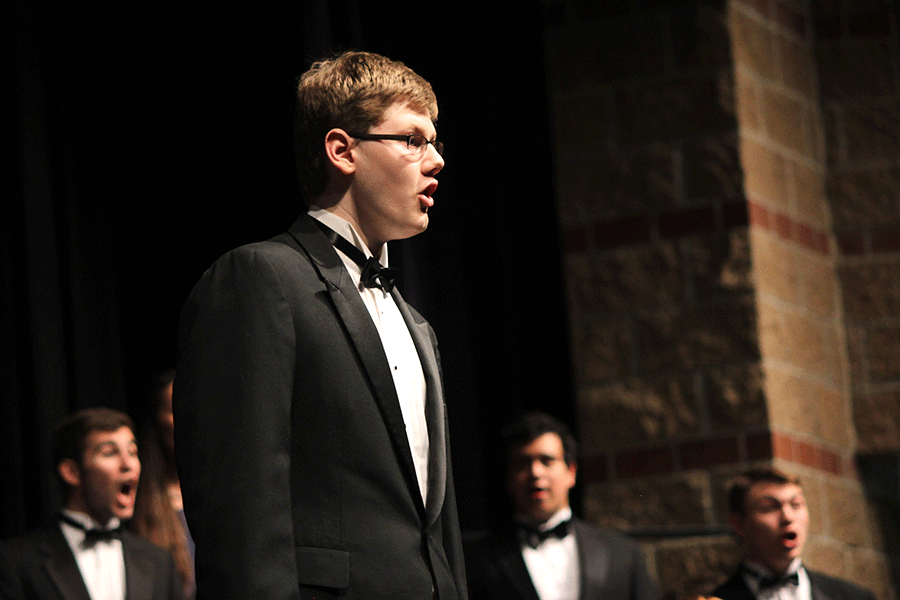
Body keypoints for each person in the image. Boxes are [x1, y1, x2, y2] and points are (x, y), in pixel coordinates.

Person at [173, 50, 466, 599]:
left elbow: (435, 530)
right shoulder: (260, 279)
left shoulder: (417, 325)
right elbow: (239, 512)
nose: (436, 160)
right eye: (411, 140)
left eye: (435, 143)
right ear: (341, 150)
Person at [465, 411, 658, 600]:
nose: (535, 472)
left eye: (547, 461)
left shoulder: (624, 555)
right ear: (508, 479)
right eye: (522, 464)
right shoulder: (477, 563)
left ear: (571, 472)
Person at [0, 407, 183, 600]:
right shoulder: (16, 561)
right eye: (110, 453)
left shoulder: (159, 561)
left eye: (132, 451)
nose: (128, 464)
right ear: (72, 472)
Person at [712, 468, 876, 600]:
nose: (788, 517)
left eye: (796, 504)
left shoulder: (855, 596)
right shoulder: (719, 598)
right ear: (739, 524)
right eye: (770, 507)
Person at [131, 370, 195, 598]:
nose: (188, 421)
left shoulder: (221, 493)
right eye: (175, 410)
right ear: (157, 420)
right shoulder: (135, 500)